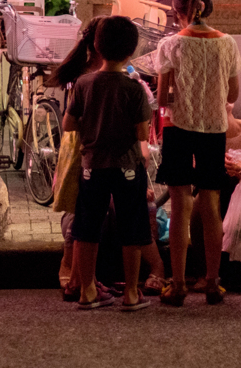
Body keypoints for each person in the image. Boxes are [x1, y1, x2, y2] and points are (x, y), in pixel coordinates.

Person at [155, 0, 241, 306]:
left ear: (176, 9)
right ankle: (212, 282)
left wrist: (182, 95)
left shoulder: (171, 45)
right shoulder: (227, 43)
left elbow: (163, 97)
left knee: (179, 206)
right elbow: (232, 94)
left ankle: (177, 284)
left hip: (179, 128)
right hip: (214, 129)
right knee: (211, 206)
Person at [63, 16, 153, 311]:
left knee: (87, 227)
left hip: (92, 165)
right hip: (127, 166)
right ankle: (130, 292)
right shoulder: (134, 87)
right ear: (132, 50)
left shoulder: (83, 83)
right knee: (132, 227)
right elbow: (141, 133)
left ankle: (87, 290)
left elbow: (68, 124)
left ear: (97, 47)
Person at [191, 102, 241, 292]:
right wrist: (216, 167)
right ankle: (205, 272)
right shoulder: (203, 135)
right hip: (216, 194)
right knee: (200, 203)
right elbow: (196, 175)